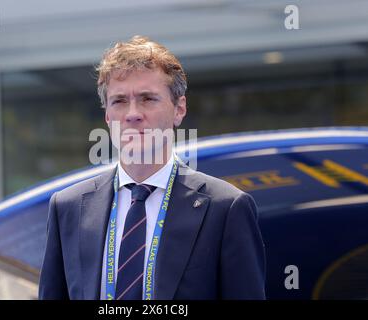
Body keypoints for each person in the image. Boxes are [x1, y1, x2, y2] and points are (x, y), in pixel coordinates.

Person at [39, 35, 266, 300]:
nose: (133, 113)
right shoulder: (68, 207)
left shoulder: (225, 208)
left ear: (179, 109)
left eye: (148, 98)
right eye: (119, 101)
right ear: (108, 116)